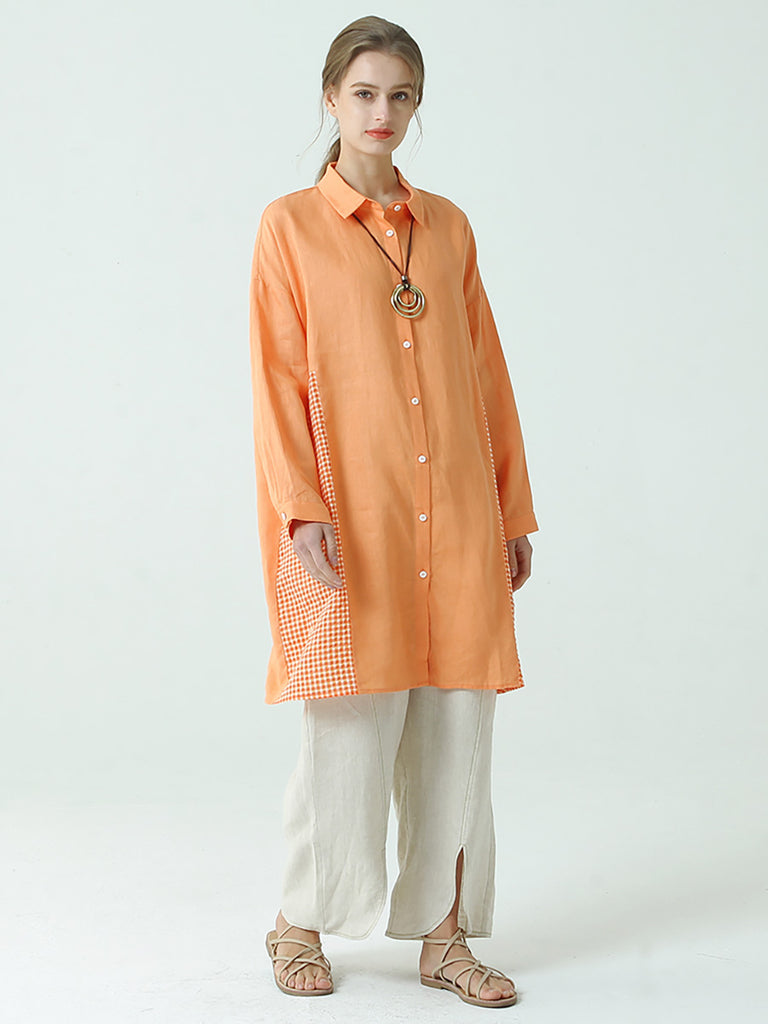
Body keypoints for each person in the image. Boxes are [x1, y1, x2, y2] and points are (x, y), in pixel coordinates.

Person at [248, 15, 539, 1008]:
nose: (383, 112)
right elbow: (277, 379)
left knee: (456, 727)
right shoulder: (289, 227)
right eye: (365, 93)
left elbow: (486, 373)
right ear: (331, 98)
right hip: (352, 515)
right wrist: (301, 509)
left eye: (401, 95)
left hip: (456, 511)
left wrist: (511, 507)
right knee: (347, 729)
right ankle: (298, 923)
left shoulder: (447, 227)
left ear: (417, 105)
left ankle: (444, 938)